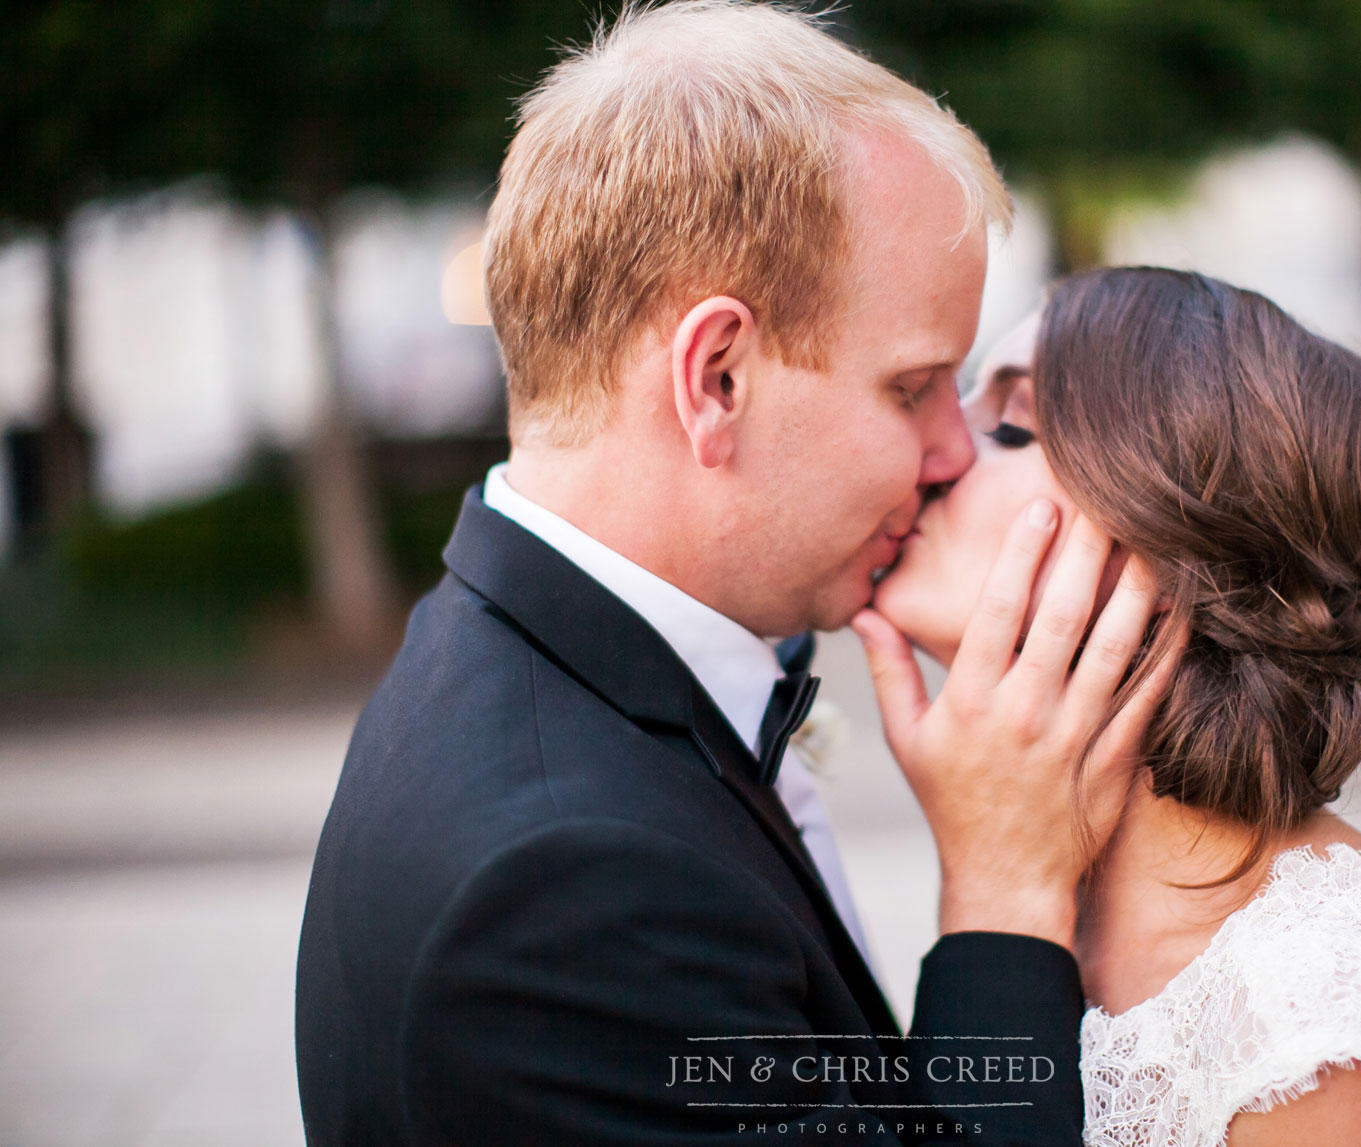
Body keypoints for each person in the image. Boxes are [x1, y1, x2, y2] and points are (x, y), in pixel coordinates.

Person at [295, 4, 1176, 1145]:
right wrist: (1002, 894)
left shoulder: (514, 661)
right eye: (912, 387)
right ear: (714, 377)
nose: (953, 449)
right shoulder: (569, 894)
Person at [865, 267, 1361, 1147]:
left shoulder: (1329, 1036)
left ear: (1180, 531)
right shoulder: (1062, 901)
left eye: (1014, 423)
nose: (938, 451)